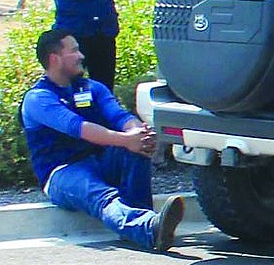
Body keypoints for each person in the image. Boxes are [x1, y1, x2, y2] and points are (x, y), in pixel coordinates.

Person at [19, 29, 184, 251]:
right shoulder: (38, 99)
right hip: (63, 172)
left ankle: (145, 222)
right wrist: (126, 140)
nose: (81, 56)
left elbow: (119, 117)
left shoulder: (92, 88)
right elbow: (79, 128)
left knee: (137, 148)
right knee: (100, 194)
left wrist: (138, 134)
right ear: (54, 58)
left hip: (101, 160)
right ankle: (149, 227)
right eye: (74, 50)